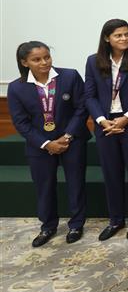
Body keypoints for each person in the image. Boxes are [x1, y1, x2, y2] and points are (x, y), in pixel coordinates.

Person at [8, 41, 90, 247]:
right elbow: (21, 122)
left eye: (47, 57)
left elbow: (81, 108)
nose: (44, 62)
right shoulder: (16, 88)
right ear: (24, 62)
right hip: (40, 146)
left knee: (76, 182)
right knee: (44, 186)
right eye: (37, 59)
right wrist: (46, 143)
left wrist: (68, 136)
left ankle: (76, 224)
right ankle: (48, 226)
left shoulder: (69, 76)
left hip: (72, 140)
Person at [84, 19, 128, 241]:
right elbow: (90, 95)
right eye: (118, 35)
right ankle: (115, 220)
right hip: (105, 125)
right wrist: (102, 120)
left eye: (126, 34)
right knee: (111, 174)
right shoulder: (94, 62)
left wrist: (126, 118)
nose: (124, 39)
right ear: (106, 38)